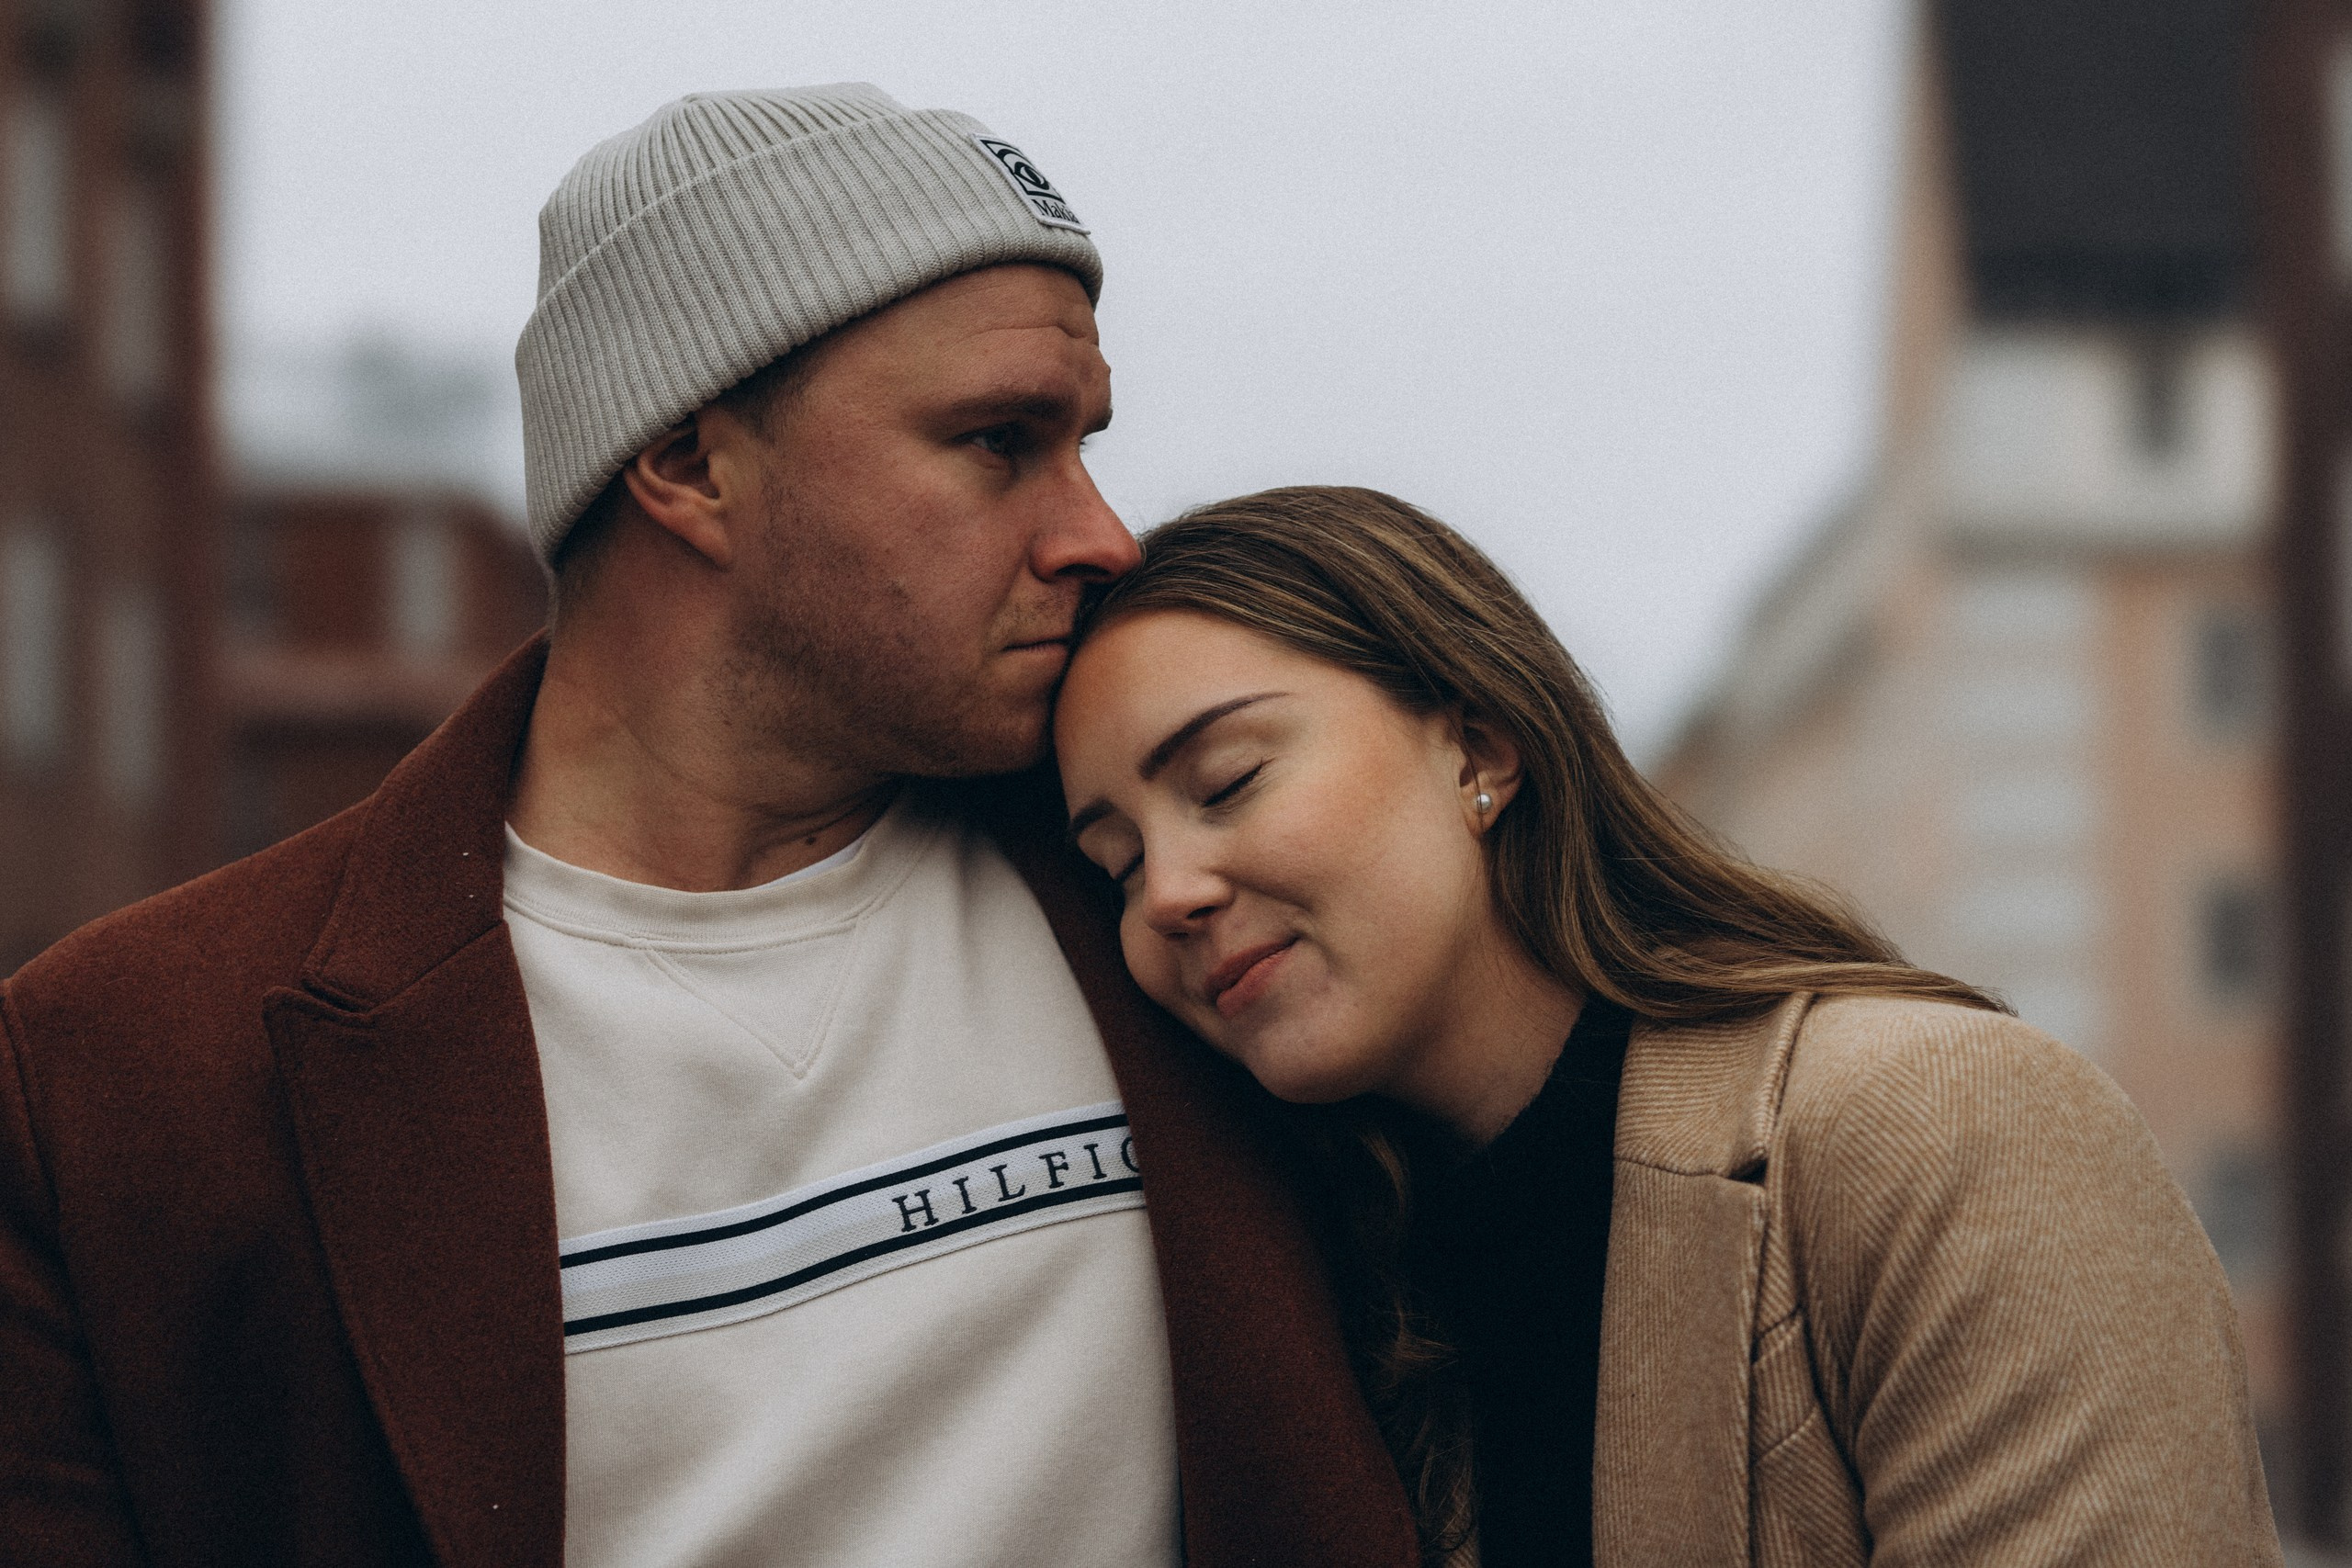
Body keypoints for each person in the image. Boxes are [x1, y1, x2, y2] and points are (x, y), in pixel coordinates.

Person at [0, 91, 1420, 1566]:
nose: (1099, 534)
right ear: (685, 465)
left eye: (1084, 442)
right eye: (1001, 441)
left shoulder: (1163, 876)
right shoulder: (123, 1079)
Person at [1054, 485, 2285, 1568]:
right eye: (1114, 865)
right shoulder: (1325, 1288)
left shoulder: (1939, 1125)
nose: (1168, 892)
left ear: (1479, 745)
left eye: (1226, 783)